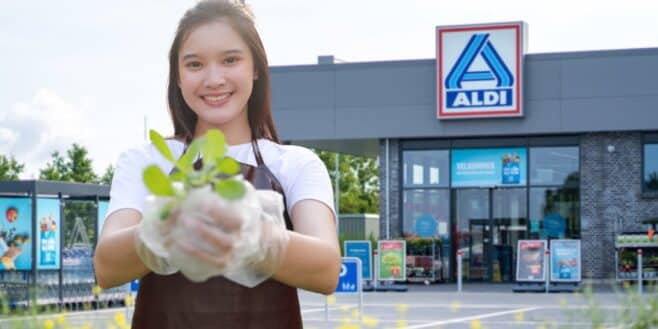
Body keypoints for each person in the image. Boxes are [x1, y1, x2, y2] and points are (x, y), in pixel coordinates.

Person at [92, 1, 340, 327]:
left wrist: (251, 233)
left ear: (255, 68)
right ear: (177, 77)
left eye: (230, 60)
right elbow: (107, 267)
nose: (214, 79)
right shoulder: (144, 160)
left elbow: (326, 270)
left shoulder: (296, 164)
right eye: (194, 65)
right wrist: (163, 230)